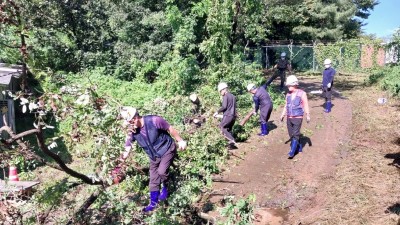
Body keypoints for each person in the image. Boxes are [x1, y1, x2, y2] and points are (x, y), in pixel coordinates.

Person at [119, 107, 187, 212]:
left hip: (167, 148)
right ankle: (153, 204)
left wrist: (180, 141)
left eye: (132, 121)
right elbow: (127, 147)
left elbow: (170, 128)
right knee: (153, 181)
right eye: (129, 122)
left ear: (136, 117)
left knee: (162, 171)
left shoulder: (154, 120)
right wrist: (120, 163)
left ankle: (166, 187)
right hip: (154, 156)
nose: (131, 124)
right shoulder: (132, 131)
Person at [280, 75, 310, 159]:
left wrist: (308, 114)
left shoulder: (302, 93)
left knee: (296, 133)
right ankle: (299, 147)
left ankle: (292, 152)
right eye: (288, 85)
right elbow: (286, 105)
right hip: (289, 117)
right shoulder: (288, 95)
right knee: (291, 134)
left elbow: (306, 104)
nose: (288, 87)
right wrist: (283, 114)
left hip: (298, 117)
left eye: (290, 85)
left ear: (295, 85)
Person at [213, 82, 237, 149]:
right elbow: (232, 107)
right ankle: (231, 146)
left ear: (223, 89)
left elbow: (224, 107)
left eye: (220, 91)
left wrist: (217, 112)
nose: (220, 93)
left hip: (228, 116)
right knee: (228, 130)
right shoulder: (233, 96)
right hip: (233, 116)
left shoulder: (225, 96)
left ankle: (232, 140)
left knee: (222, 127)